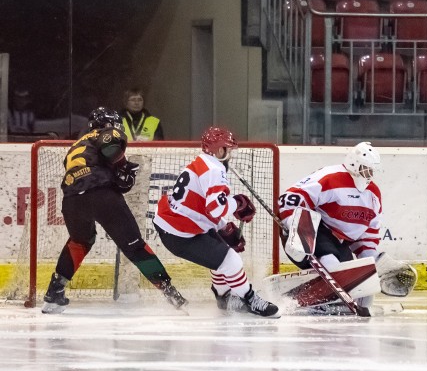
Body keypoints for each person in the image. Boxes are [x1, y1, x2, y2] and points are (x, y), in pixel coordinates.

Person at [42, 107, 187, 314]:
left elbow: (97, 170)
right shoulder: (105, 133)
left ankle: (54, 292)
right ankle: (171, 294)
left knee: (80, 241)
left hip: (72, 200)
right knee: (135, 246)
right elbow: (110, 144)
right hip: (100, 195)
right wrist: (124, 165)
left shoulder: (77, 144)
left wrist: (120, 175)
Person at [152, 126, 279, 318]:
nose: (230, 155)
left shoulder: (202, 162)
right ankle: (250, 300)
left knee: (224, 250)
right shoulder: (214, 169)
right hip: (180, 233)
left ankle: (223, 297)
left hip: (176, 224)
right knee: (231, 261)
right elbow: (216, 208)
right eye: (228, 150)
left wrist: (223, 226)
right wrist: (237, 204)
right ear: (219, 150)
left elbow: (201, 205)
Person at [277, 142, 416, 310]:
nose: (370, 174)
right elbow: (289, 198)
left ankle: (354, 305)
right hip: (311, 231)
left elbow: (368, 233)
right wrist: (295, 227)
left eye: (372, 169)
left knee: (359, 278)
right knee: (331, 259)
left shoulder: (373, 194)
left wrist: (369, 264)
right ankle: (330, 301)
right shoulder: (331, 177)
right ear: (354, 164)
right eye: (366, 168)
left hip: (337, 242)